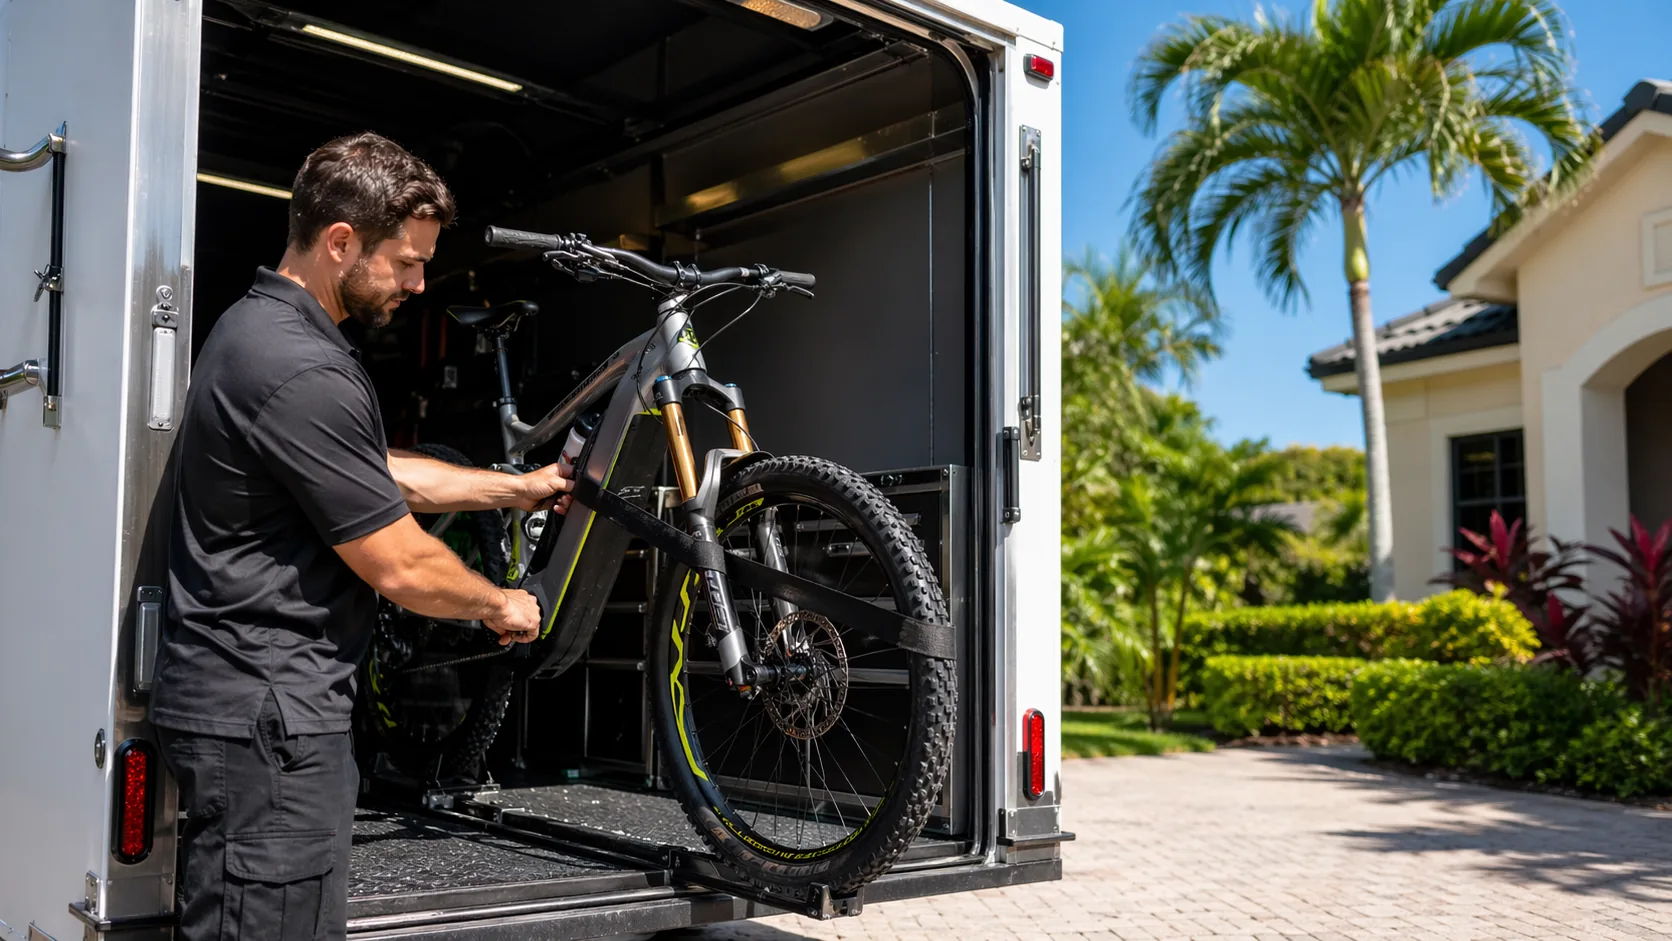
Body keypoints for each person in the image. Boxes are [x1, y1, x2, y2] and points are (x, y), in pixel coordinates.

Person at [149, 132, 569, 941]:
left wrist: (516, 488)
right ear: (341, 241)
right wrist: (501, 604)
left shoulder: (258, 332)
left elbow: (372, 474)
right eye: (407, 262)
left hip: (255, 715)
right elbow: (401, 563)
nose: (419, 282)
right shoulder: (302, 368)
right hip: (272, 727)